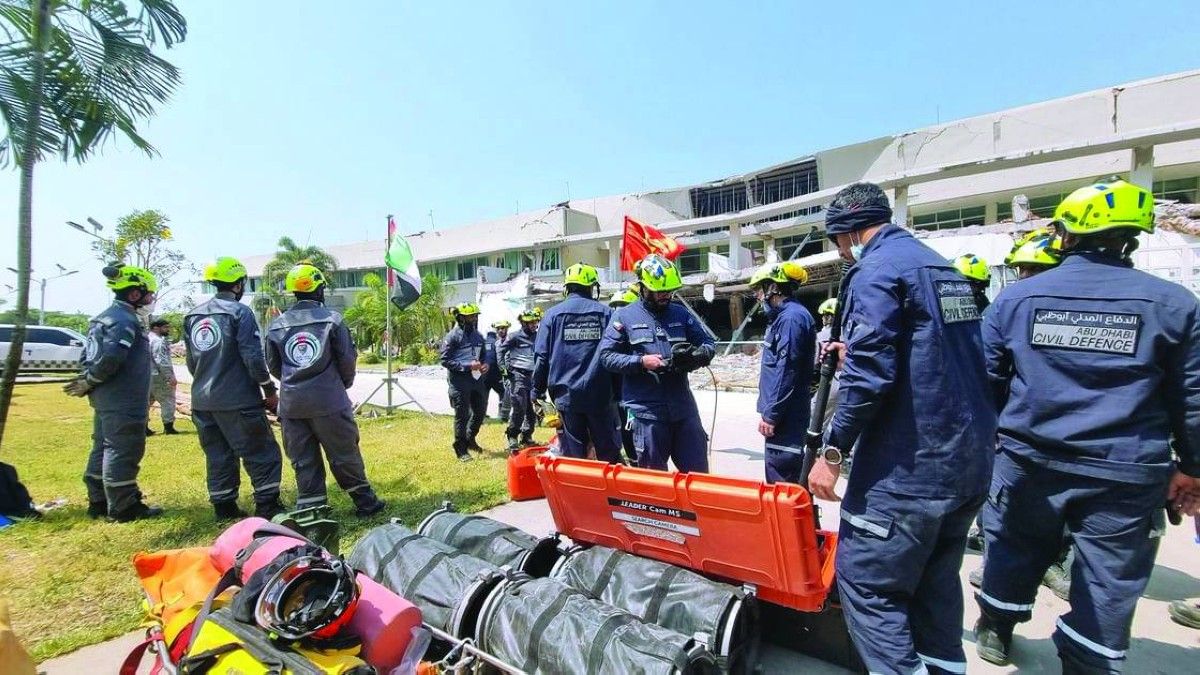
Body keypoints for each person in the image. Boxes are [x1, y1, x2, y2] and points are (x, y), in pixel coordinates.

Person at [975, 178, 1200, 671]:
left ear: (1066, 235)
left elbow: (984, 385)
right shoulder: (1175, 305)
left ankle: (995, 629)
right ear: (1131, 237)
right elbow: (1192, 398)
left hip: (1028, 460)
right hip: (1126, 472)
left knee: (1011, 547)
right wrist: (1191, 466)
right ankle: (1088, 660)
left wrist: (989, 448)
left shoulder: (1017, 301)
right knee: (1108, 579)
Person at [808, 182, 996, 675]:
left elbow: (869, 379)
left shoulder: (876, 271)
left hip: (910, 470)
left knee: (869, 585)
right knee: (935, 584)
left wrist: (832, 454)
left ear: (847, 234)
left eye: (838, 242)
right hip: (967, 465)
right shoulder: (941, 267)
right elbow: (939, 354)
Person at [266, 263, 385, 518]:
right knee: (344, 452)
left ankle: (312, 511)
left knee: (303, 458)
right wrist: (341, 385)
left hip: (292, 405)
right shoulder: (332, 319)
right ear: (319, 289)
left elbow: (274, 366)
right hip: (329, 400)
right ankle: (366, 503)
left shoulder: (277, 325)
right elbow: (346, 359)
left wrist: (294, 383)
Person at [184, 257, 285, 521]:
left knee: (218, 454)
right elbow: (252, 357)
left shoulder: (193, 315)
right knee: (261, 451)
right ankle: (267, 504)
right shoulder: (239, 313)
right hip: (237, 400)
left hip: (202, 402)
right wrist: (268, 389)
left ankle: (224, 506)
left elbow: (192, 362)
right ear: (239, 284)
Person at [62, 264, 163, 521]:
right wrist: (91, 379)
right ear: (133, 295)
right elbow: (111, 358)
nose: (151, 299)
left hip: (106, 396)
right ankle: (124, 506)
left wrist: (89, 381)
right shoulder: (124, 321)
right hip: (123, 398)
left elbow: (88, 355)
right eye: (148, 294)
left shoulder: (102, 318)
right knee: (123, 448)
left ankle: (98, 499)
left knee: (103, 446)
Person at [600, 254, 715, 472]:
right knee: (654, 482)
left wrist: (695, 357)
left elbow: (708, 343)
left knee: (699, 476)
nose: (666, 296)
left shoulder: (681, 314)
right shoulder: (623, 317)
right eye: (660, 291)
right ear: (643, 287)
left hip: (683, 409)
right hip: (647, 414)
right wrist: (641, 362)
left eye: (670, 291)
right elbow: (607, 356)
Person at [534, 264, 623, 463]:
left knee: (574, 458)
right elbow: (617, 356)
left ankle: (580, 494)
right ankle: (613, 495)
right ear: (592, 287)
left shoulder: (552, 315)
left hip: (567, 398)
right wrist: (618, 394)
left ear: (567, 288)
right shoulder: (607, 313)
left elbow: (541, 357)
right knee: (609, 455)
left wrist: (536, 391)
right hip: (601, 397)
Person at [751, 261, 816, 484]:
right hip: (787, 413)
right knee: (788, 480)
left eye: (760, 290)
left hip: (787, 416)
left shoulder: (791, 319)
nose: (759, 297)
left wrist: (772, 414)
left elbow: (787, 369)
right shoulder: (786, 317)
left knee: (782, 481)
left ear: (773, 288)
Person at [439, 302, 488, 461]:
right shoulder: (452, 336)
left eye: (474, 316)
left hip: (477, 380)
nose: (473, 319)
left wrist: (485, 364)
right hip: (459, 381)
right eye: (469, 317)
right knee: (462, 415)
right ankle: (460, 449)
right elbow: (444, 360)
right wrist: (467, 366)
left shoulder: (478, 335)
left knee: (480, 412)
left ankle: (470, 438)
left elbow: (483, 356)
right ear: (460, 318)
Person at [608, 287, 641, 464]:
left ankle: (640, 464)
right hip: (616, 397)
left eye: (623, 307)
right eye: (616, 307)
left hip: (637, 397)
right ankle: (634, 464)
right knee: (624, 431)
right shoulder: (610, 338)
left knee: (636, 431)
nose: (618, 313)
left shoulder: (640, 337)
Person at [500, 309, 540, 451]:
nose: (533, 325)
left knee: (532, 408)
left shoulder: (539, 336)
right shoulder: (514, 336)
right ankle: (512, 436)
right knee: (519, 406)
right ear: (523, 323)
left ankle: (526, 436)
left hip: (533, 376)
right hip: (518, 375)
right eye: (530, 323)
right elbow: (500, 350)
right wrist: (504, 369)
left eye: (535, 322)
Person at [147, 318, 179, 435]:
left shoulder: (146, 339)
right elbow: (161, 360)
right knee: (168, 400)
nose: (168, 329)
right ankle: (168, 426)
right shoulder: (158, 341)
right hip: (158, 376)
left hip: (146, 375)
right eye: (165, 327)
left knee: (147, 401)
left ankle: (144, 427)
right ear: (156, 328)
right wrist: (170, 377)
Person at [484, 320, 512, 423]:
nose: (500, 331)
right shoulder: (496, 343)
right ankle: (502, 415)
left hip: (486, 375)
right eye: (498, 329)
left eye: (503, 328)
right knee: (503, 393)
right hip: (497, 375)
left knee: (485, 394)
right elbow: (500, 362)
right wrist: (504, 374)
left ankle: (483, 414)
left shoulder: (483, 342)